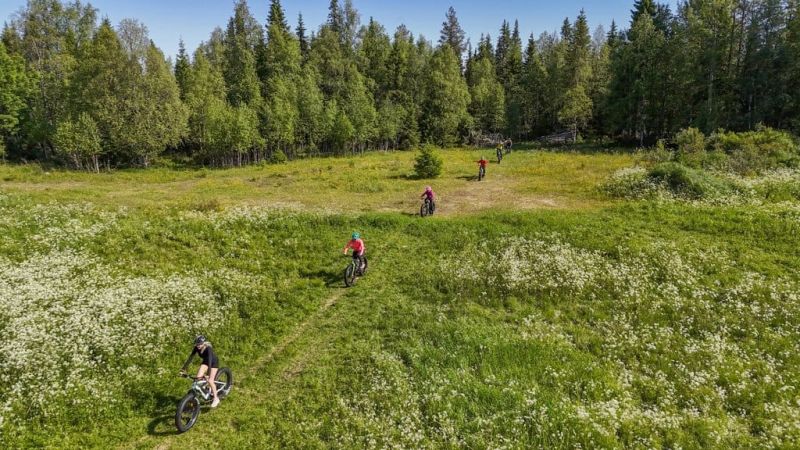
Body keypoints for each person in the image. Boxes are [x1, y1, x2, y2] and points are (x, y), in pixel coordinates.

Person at [180, 335, 221, 408]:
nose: (198, 346)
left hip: (213, 363)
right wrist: (183, 369)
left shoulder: (208, 348)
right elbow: (190, 358)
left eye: (200, 344)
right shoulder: (196, 348)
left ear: (204, 343)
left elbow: (210, 360)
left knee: (210, 380)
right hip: (206, 362)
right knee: (198, 378)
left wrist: (208, 374)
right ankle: (205, 390)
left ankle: (216, 398)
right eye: (197, 344)